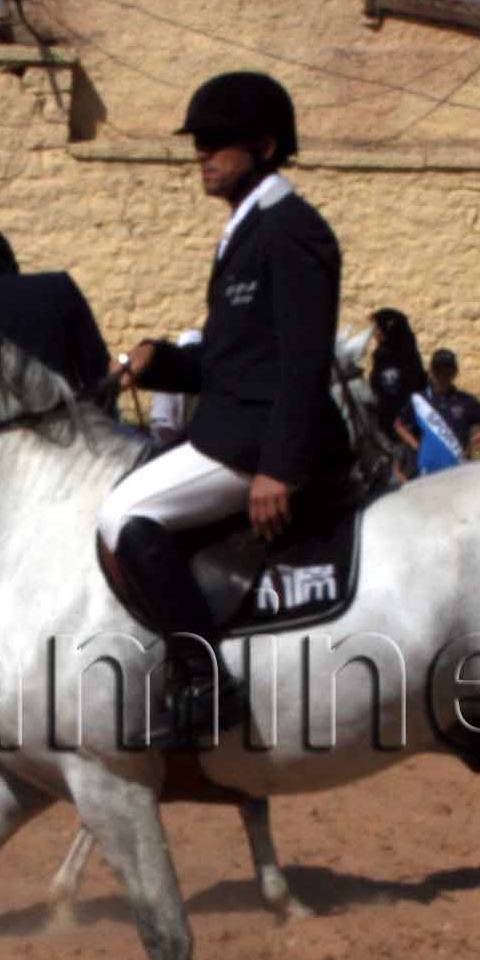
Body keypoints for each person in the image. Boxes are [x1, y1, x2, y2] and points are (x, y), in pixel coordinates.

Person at [102, 70, 348, 746]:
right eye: (198, 143)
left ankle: (207, 681)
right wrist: (164, 362)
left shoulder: (291, 230)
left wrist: (278, 467)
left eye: (216, 142)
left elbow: (304, 359)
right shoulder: (245, 231)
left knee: (123, 514)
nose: (201, 155)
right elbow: (232, 359)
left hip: (253, 442)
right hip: (228, 425)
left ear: (265, 145)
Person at [0, 224, 116, 407]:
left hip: (4, 432)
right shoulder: (59, 286)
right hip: (71, 422)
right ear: (9, 260)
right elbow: (99, 371)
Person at [400, 347, 480, 478]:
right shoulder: (419, 400)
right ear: (431, 372)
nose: (443, 375)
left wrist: (471, 442)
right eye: (438, 370)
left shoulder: (466, 401)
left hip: (458, 470)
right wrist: (416, 446)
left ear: (455, 372)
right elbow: (399, 425)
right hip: (427, 471)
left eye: (448, 370)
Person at [364, 308, 426, 453]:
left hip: (406, 433)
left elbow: (399, 394)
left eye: (377, 328)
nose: (375, 333)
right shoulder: (381, 357)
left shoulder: (404, 360)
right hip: (385, 431)